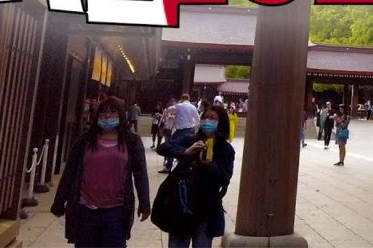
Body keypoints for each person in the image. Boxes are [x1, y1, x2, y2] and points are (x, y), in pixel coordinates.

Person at [51, 97, 150, 247]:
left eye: (113, 111)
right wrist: (59, 202)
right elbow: (70, 172)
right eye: (103, 112)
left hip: (116, 210)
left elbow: (140, 174)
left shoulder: (131, 141)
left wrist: (144, 203)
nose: (108, 115)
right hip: (85, 208)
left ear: (121, 115)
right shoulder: (85, 140)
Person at [157, 104, 235, 248]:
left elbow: (224, 178)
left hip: (206, 210)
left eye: (212, 119)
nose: (207, 121)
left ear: (221, 123)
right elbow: (162, 148)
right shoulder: (191, 139)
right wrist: (186, 151)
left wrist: (209, 164)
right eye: (205, 118)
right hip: (182, 206)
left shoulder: (226, 150)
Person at [162, 94, 200, 174]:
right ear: (189, 99)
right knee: (187, 149)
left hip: (179, 131)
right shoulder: (193, 107)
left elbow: (168, 110)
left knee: (171, 146)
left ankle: (168, 166)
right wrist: (194, 128)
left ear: (181, 99)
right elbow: (197, 119)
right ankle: (185, 167)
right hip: (189, 130)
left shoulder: (178, 106)